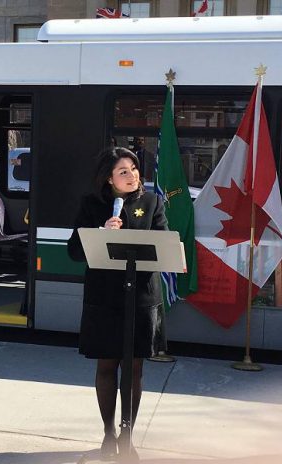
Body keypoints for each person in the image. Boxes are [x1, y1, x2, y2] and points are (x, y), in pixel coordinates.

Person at [67, 147, 168, 461]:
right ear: (108, 178)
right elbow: (73, 250)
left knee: (134, 369)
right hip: (104, 297)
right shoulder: (92, 205)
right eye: (123, 171)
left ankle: (128, 435)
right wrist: (100, 233)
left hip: (141, 297)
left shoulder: (153, 202)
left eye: (134, 169)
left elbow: (163, 244)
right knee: (107, 365)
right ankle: (109, 434)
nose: (132, 175)